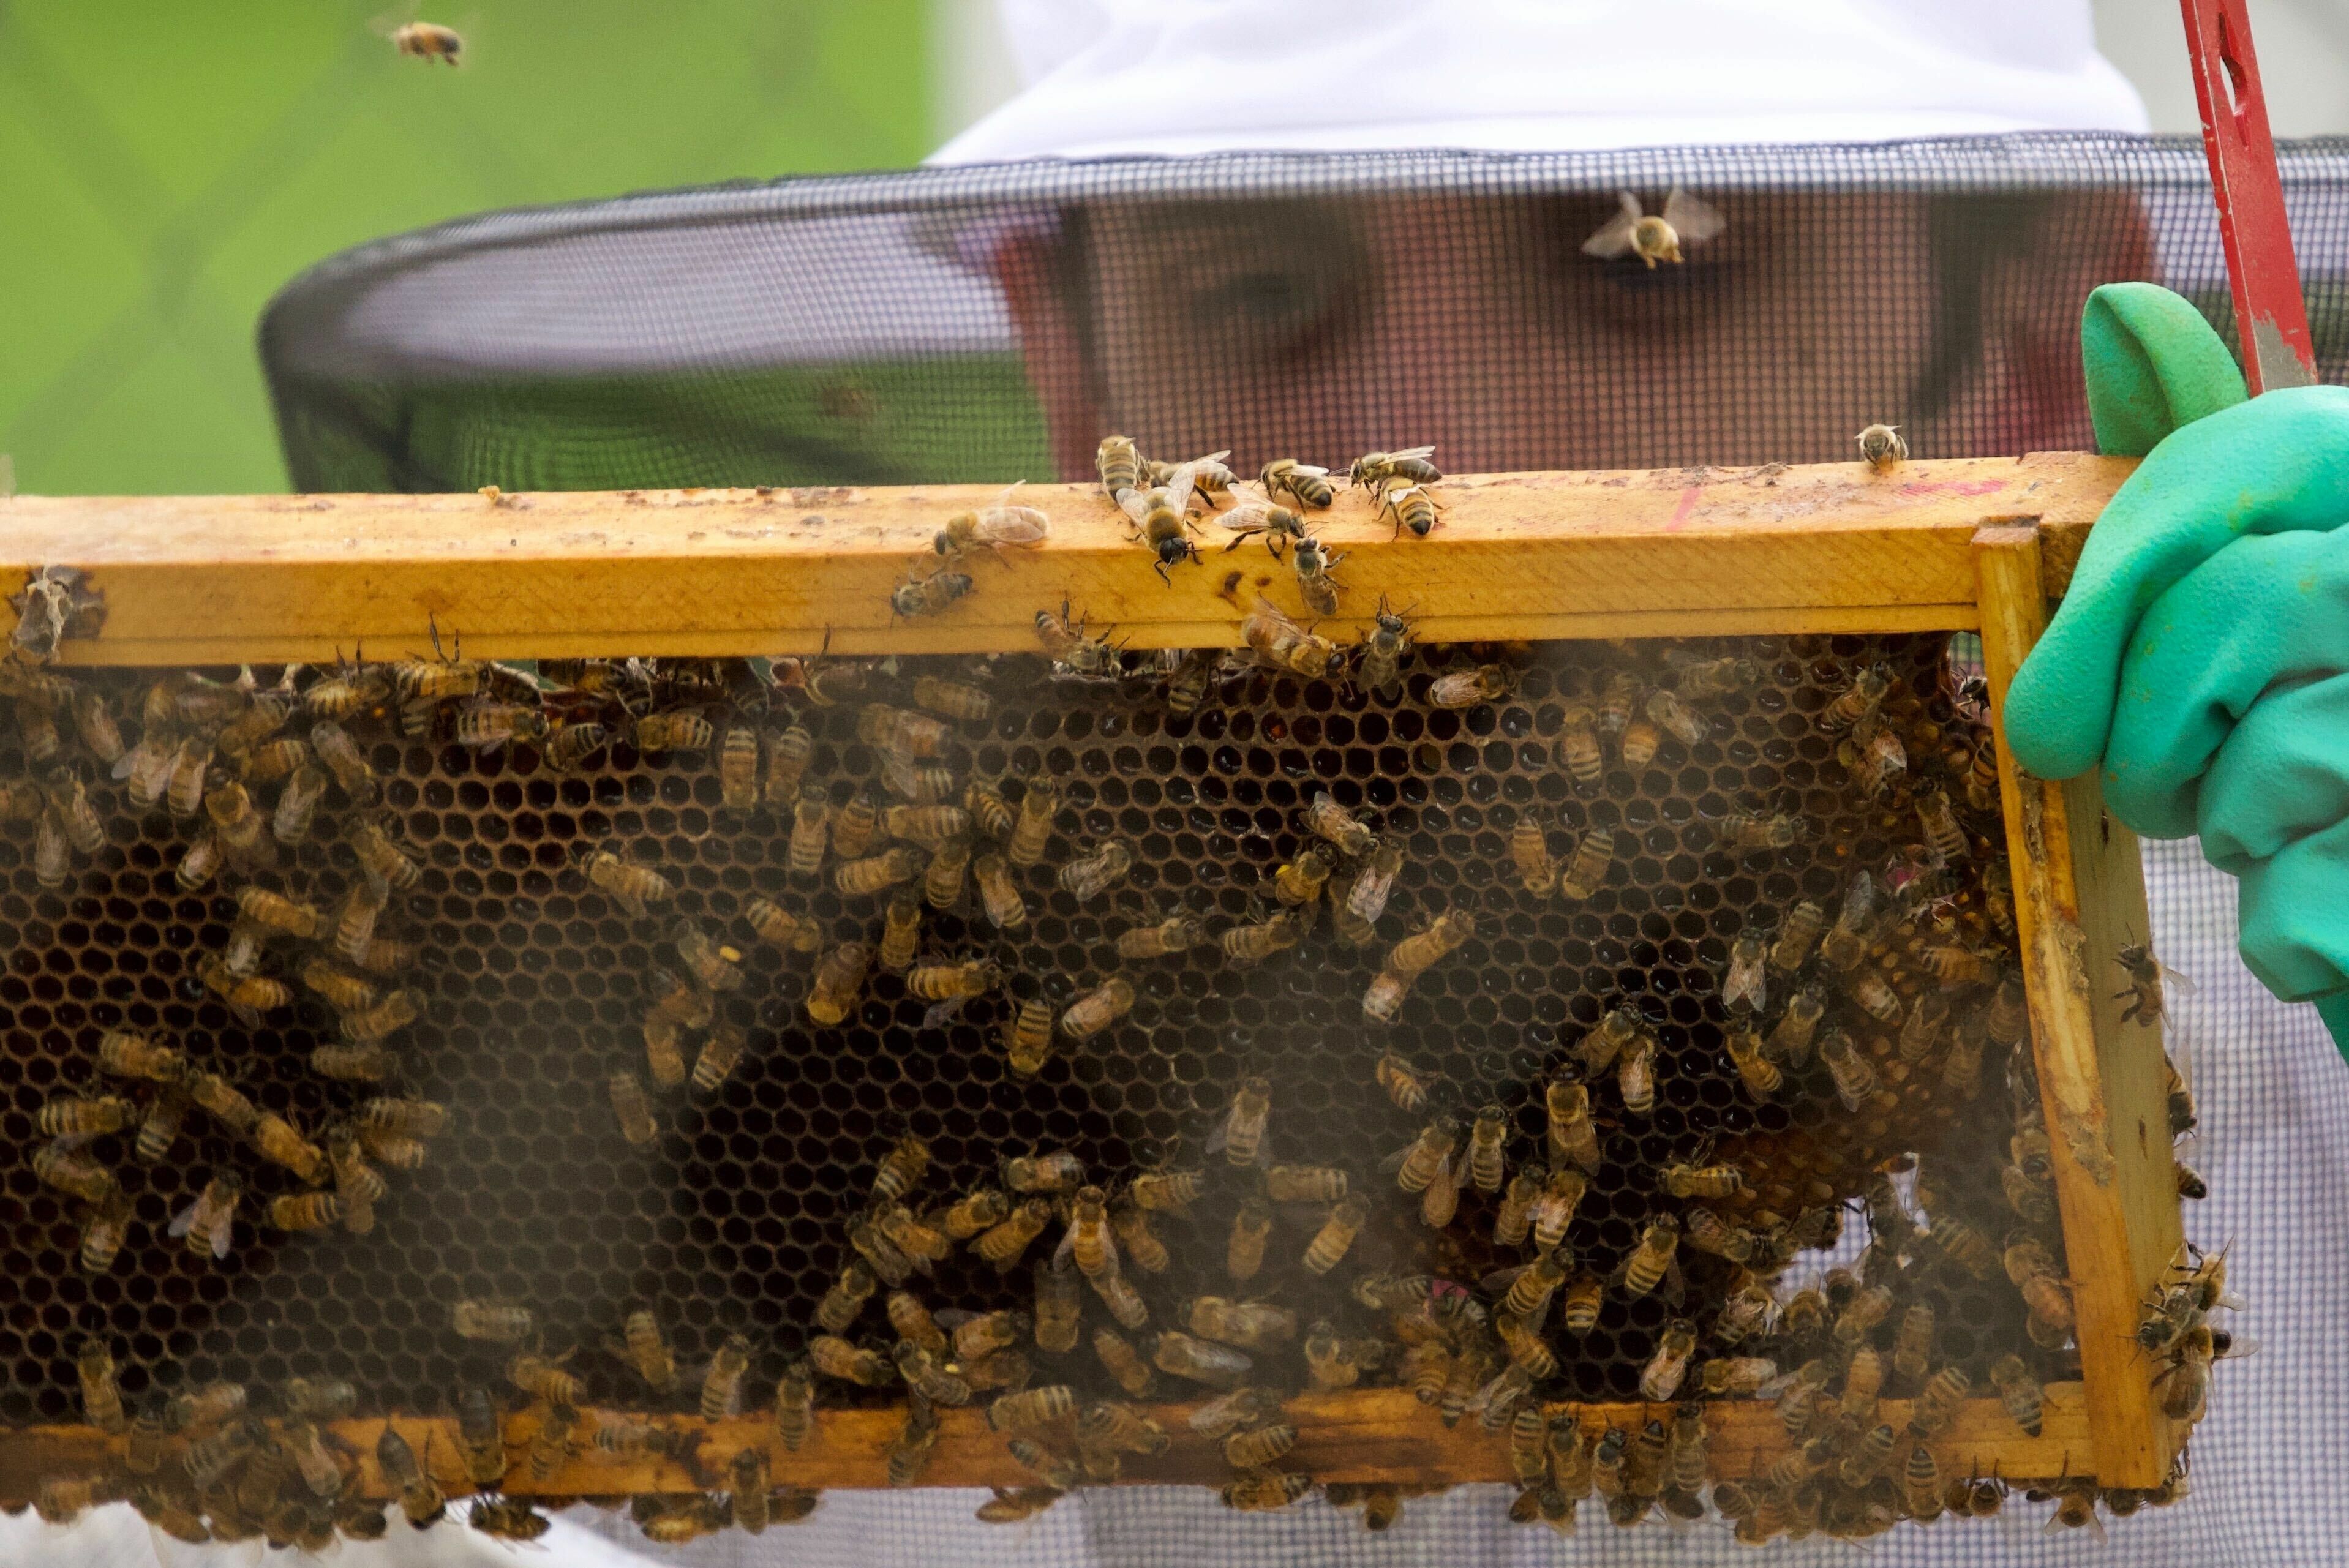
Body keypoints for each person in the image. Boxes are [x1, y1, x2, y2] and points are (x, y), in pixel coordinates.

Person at [249, 2, 2349, 1563]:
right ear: (1064, 366)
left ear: (2019, 309)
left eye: (1658, 267)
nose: (1443, 461)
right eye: (1262, 294)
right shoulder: (770, 1125)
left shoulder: (2293, 1025)